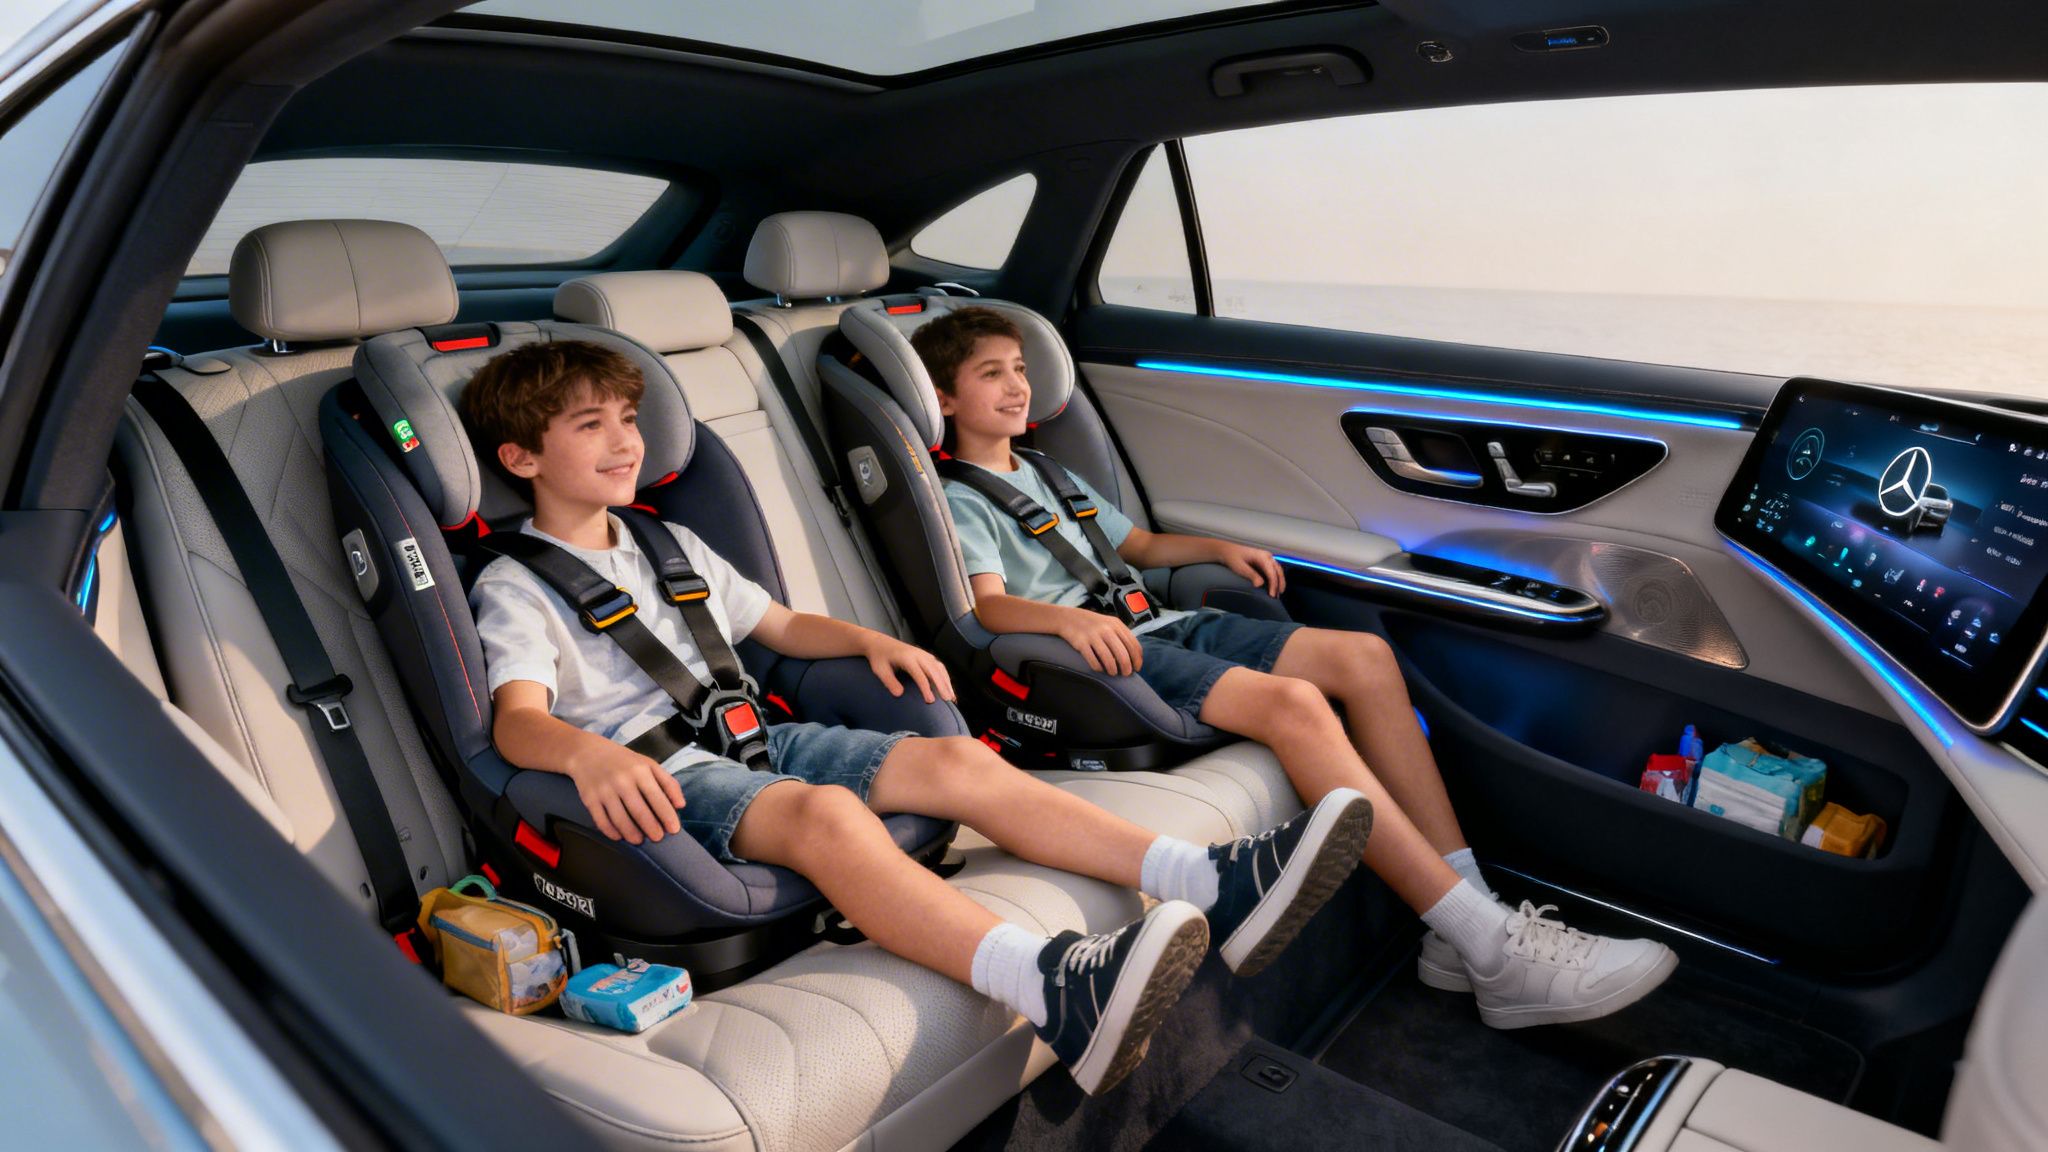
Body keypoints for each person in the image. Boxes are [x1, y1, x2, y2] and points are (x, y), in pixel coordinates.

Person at [461, 339, 1374, 1094]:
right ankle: (1050, 983)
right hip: (658, 779)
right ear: (521, 459)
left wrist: (867, 643)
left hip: (755, 735)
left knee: (960, 765)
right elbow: (517, 722)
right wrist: (587, 758)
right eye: (592, 428)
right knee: (827, 813)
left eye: (627, 421)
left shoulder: (667, 540)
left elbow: (774, 624)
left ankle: (1206, 878)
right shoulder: (516, 583)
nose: (625, 442)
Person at [915, 306, 1677, 1030]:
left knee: (1365, 657)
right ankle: (1489, 943)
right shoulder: (961, 498)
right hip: (1105, 662)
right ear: (945, 398)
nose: (1016, 386)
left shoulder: (1051, 471)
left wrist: (1213, 547)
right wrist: (1068, 618)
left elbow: (1135, 548)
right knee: (1298, 706)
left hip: (1170, 623)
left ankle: (1461, 916)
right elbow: (989, 609)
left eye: (1019, 369)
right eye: (990, 374)